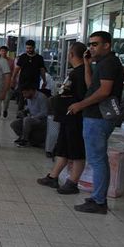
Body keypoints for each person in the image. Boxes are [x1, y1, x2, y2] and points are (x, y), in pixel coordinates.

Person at [68, 31, 123, 214]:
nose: (91, 47)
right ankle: (97, 197)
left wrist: (80, 104)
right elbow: (92, 85)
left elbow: (104, 91)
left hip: (98, 117)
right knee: (98, 159)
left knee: (98, 160)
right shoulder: (102, 63)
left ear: (107, 45)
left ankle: (99, 201)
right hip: (94, 116)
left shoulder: (109, 63)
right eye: (90, 44)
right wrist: (86, 64)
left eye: (95, 44)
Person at [37, 42, 88, 194]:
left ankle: (72, 182)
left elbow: (81, 95)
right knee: (63, 148)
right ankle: (53, 177)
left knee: (76, 150)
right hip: (66, 118)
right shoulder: (75, 72)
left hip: (75, 118)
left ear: (71, 54)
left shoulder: (82, 73)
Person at [11, 40, 47, 110]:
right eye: (27, 48)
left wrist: (44, 80)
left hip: (34, 82)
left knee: (34, 98)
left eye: (30, 48)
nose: (28, 50)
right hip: (23, 81)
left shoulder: (39, 58)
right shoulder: (23, 57)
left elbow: (42, 70)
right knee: (21, 98)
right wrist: (13, 78)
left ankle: (33, 112)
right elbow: (17, 68)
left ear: (34, 47)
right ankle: (20, 114)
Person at [0, 46, 15, 118]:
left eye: (4, 51)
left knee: (7, 98)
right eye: (2, 51)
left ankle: (5, 109)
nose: (3, 52)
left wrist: (12, 81)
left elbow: (13, 71)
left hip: (7, 82)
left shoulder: (11, 61)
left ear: (7, 52)